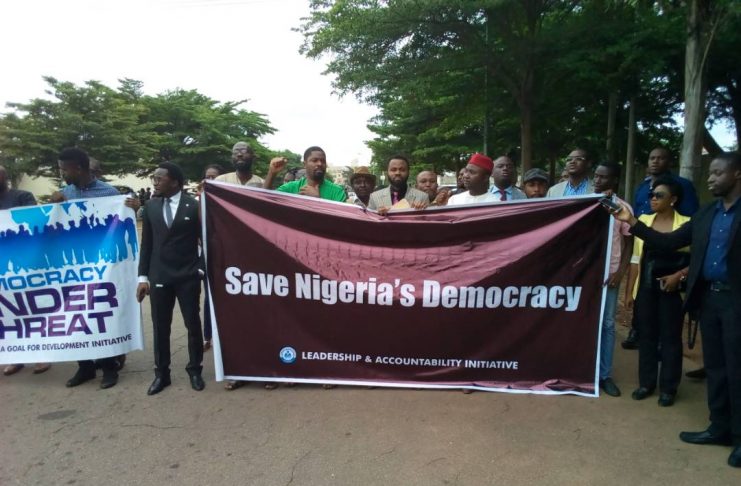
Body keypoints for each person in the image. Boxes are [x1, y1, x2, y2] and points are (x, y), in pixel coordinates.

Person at [612, 152, 741, 468]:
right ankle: (719, 428)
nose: (710, 178)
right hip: (709, 299)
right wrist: (632, 222)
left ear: (737, 174)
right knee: (716, 367)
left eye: (717, 173)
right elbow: (669, 242)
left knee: (737, 369)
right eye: (710, 173)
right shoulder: (707, 213)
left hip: (736, 301)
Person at [52, 148, 138, 389]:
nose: (62, 173)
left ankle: (109, 366)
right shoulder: (64, 194)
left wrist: (133, 208)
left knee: (101, 314)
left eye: (64, 169)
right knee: (76, 315)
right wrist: (53, 207)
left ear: (78, 168)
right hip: (73, 266)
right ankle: (85, 367)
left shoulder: (108, 193)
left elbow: (121, 223)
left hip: (102, 266)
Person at [137, 162, 205, 395]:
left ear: (175, 181)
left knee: (192, 324)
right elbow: (147, 244)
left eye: (159, 178)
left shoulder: (193, 206)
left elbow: (206, 240)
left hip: (187, 276)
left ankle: (194, 370)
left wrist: (200, 269)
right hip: (159, 275)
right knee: (160, 326)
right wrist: (142, 277)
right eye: (154, 178)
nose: (155, 182)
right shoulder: (151, 206)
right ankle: (161, 374)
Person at [623, 147, 701, 350]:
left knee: (669, 335)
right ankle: (638, 332)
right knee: (646, 333)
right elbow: (636, 257)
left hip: (673, 256)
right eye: (652, 158)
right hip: (645, 254)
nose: (655, 161)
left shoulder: (683, 186)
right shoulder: (642, 188)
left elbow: (692, 226)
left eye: (660, 158)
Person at [625, 176, 689, 407]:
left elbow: (697, 259)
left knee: (671, 339)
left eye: (659, 195)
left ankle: (669, 388)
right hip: (647, 288)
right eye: (651, 195)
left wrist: (679, 275)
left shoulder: (686, 224)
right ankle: (646, 383)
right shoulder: (643, 220)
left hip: (672, 291)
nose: (652, 199)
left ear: (673, 199)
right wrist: (630, 291)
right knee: (647, 336)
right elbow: (636, 259)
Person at [0, 165, 52, 376]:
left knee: (31, 308)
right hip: (3, 267)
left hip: (25, 263)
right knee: (8, 312)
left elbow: (32, 221)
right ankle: (16, 357)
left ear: (4, 177)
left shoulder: (22, 196)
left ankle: (41, 355)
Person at [593, 162, 633, 397]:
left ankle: (605, 374)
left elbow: (628, 243)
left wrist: (620, 272)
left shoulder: (622, 208)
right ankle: (583, 369)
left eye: (603, 177)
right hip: (585, 275)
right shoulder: (584, 204)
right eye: (596, 176)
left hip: (609, 275)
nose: (598, 181)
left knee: (607, 324)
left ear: (614, 181)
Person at [196, 163, 226, 352]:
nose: (210, 180)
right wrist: (201, 197)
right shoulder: (200, 200)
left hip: (228, 254)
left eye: (214, 177)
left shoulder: (228, 201)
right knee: (209, 296)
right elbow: (200, 225)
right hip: (209, 255)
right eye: (207, 177)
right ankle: (208, 335)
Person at [264, 146, 347, 202]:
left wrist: (317, 200)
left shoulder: (337, 192)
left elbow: (340, 220)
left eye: (323, 161)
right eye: (314, 160)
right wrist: (271, 173)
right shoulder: (291, 187)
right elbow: (266, 200)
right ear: (305, 164)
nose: (319, 164)